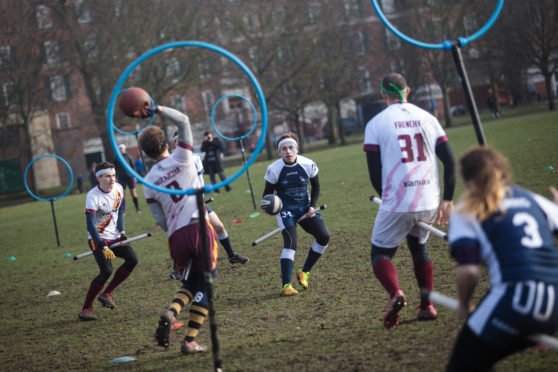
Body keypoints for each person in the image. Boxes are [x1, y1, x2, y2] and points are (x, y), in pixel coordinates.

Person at [446, 146, 558, 371]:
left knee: (462, 366)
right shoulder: (533, 199)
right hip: (555, 304)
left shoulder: (465, 211)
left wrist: (463, 304)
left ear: (467, 182)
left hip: (514, 304)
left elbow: (469, 271)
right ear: (503, 173)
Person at [363, 73, 456, 328]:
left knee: (380, 253)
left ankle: (396, 293)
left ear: (383, 95)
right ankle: (427, 306)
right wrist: (447, 200)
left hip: (398, 200)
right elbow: (449, 161)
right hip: (429, 198)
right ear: (408, 91)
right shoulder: (429, 118)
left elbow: (374, 172)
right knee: (419, 247)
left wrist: (389, 199)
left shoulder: (375, 123)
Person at [138, 101, 218, 355]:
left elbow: (159, 219)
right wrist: (158, 109)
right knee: (205, 285)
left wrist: (174, 229)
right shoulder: (183, 157)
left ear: (146, 153)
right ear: (165, 144)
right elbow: (183, 120)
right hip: (198, 228)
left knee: (192, 283)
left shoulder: (148, 181)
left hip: (176, 237)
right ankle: (189, 340)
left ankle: (172, 312)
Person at [170, 131, 248, 274]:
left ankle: (231, 255)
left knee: (219, 226)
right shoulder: (171, 162)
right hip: (182, 206)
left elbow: (200, 180)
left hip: (198, 202)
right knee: (186, 239)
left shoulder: (196, 158)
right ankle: (177, 267)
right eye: (178, 141)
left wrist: (202, 196)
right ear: (174, 144)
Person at [262, 132, 330, 296]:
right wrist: (269, 207)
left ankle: (304, 271)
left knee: (324, 237)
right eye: (284, 149)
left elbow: (316, 186)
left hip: (305, 209)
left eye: (291, 147)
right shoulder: (274, 169)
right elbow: (266, 195)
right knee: (291, 243)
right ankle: (286, 285)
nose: (288, 151)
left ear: (296, 149)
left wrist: (312, 207)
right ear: (280, 152)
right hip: (285, 211)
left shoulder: (308, 164)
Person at [78, 161, 138, 321]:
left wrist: (123, 234)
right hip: (97, 238)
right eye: (107, 176)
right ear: (98, 178)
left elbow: (117, 213)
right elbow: (90, 225)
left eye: (113, 175)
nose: (112, 179)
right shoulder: (92, 196)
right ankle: (85, 309)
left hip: (114, 236)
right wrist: (102, 245)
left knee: (132, 259)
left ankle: (107, 293)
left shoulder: (118, 188)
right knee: (106, 271)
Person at [114, 144, 141, 213]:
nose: (121, 150)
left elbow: (133, 167)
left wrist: (134, 176)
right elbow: (115, 168)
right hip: (121, 178)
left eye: (122, 148)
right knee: (122, 195)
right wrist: (115, 177)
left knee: (133, 193)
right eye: (120, 149)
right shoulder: (117, 158)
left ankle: (137, 209)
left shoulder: (129, 157)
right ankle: (123, 211)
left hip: (130, 177)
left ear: (124, 149)